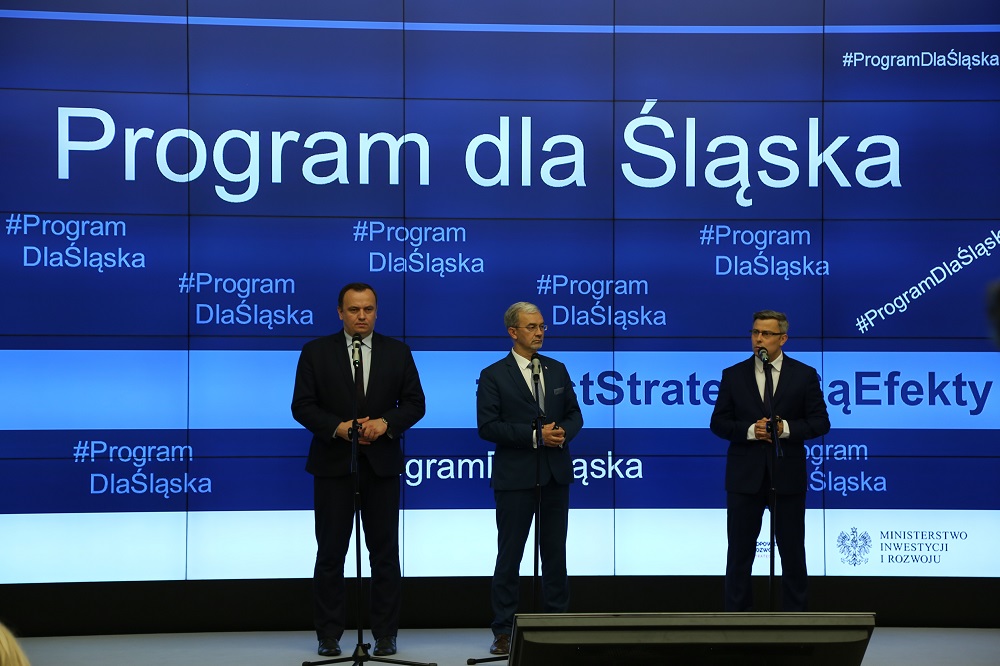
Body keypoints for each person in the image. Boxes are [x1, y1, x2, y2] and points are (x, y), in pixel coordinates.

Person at [291, 282, 425, 657]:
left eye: (368, 309)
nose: (361, 316)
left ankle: (385, 634)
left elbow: (415, 403)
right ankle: (328, 635)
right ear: (340, 313)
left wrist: (385, 423)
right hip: (333, 465)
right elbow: (302, 405)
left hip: (381, 466)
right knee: (330, 554)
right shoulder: (316, 352)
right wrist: (339, 427)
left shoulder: (397, 352)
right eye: (354, 309)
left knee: (384, 554)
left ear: (376, 312)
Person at [476, 301, 583, 655]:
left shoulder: (557, 369)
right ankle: (504, 630)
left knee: (555, 554)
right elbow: (488, 426)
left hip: (555, 475)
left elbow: (575, 415)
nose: (539, 333)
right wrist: (535, 436)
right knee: (510, 556)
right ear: (513, 332)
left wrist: (561, 433)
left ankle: (557, 624)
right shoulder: (493, 374)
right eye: (531, 327)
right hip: (515, 478)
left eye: (542, 326)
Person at [709, 310, 830, 612]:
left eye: (766, 334)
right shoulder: (733, 375)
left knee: (792, 553)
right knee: (739, 554)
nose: (758, 339)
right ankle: (737, 622)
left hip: (786, 476)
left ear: (783, 338)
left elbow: (820, 422)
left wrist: (784, 428)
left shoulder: (803, 375)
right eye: (755, 333)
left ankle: (795, 621)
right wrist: (752, 430)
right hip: (744, 478)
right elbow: (719, 423)